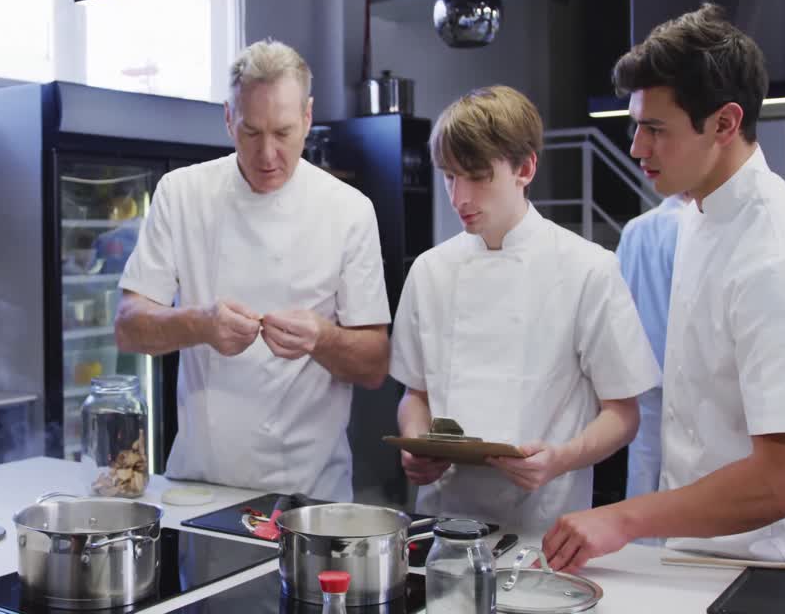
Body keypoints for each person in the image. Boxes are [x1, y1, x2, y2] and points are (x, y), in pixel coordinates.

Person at [543, 4, 785, 570]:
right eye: (635, 125)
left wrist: (624, 516)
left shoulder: (783, 256)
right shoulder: (700, 215)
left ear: (725, 123)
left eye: (656, 130)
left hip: (779, 569)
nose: (637, 148)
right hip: (705, 557)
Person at [114, 39, 390, 501]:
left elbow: (375, 363)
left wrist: (322, 338)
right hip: (200, 487)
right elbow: (128, 329)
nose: (267, 156)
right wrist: (200, 323)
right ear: (228, 118)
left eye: (282, 133)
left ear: (307, 117)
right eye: (251, 132)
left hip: (310, 495)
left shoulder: (350, 211)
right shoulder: (181, 194)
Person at [390, 85, 658, 535]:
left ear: (525, 168)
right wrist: (417, 445)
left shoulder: (588, 268)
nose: (460, 198)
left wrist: (558, 461)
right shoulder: (429, 271)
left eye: (478, 177)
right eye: (450, 177)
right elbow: (415, 395)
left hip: (544, 523)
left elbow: (623, 414)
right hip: (443, 521)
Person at [616, 193, 692, 502]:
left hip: (642, 367)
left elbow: (618, 297)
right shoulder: (691, 227)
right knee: (684, 467)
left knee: (643, 465)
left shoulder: (635, 228)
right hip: (682, 371)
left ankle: (638, 544)